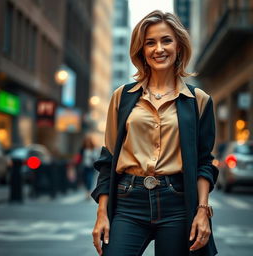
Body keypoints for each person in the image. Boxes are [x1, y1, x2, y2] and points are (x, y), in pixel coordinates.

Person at [91, 10, 219, 256]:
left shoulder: (198, 100)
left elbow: (204, 162)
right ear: (142, 50)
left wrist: (202, 211)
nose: (159, 49)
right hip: (129, 201)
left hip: (177, 203)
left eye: (166, 40)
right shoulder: (122, 97)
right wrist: (102, 214)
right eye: (150, 42)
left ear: (179, 46)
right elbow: (107, 161)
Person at [78, 135, 98, 199]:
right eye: (86, 142)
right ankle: (87, 191)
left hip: (91, 167)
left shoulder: (93, 149)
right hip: (84, 167)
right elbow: (79, 157)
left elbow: (96, 158)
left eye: (89, 142)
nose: (87, 143)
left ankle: (88, 193)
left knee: (89, 179)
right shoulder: (82, 149)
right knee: (85, 180)